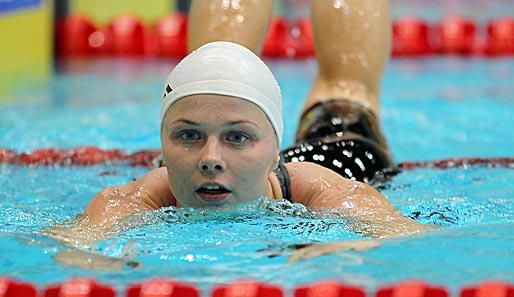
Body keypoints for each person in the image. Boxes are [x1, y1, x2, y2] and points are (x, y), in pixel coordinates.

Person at [78, 0, 433, 261]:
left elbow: (413, 241)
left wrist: (356, 244)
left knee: (344, 93)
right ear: (163, 143)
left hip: (338, 154)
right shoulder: (142, 196)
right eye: (188, 136)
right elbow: (71, 248)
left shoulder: (331, 195)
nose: (210, 160)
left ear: (274, 151)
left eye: (237, 138)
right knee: (217, 70)